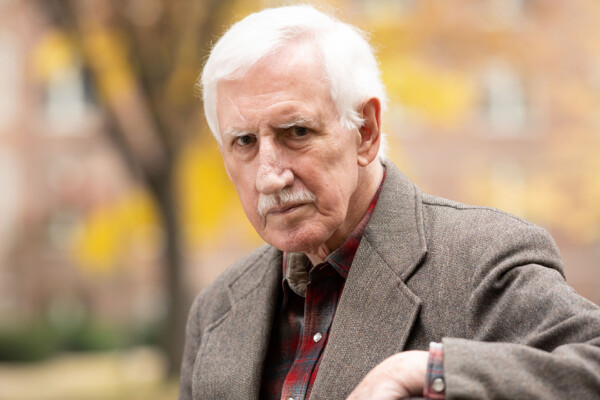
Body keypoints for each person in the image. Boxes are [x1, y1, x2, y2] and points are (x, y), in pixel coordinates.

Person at [179, 5, 600, 400]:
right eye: (245, 142)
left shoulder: (483, 261)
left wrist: (435, 372)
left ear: (365, 131)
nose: (269, 176)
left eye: (297, 132)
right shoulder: (217, 308)